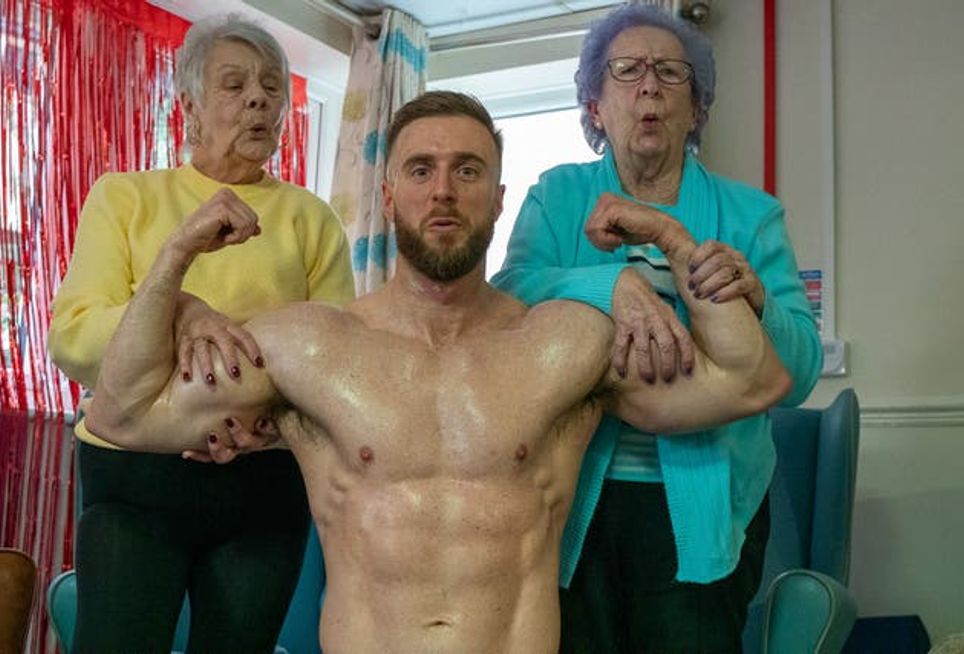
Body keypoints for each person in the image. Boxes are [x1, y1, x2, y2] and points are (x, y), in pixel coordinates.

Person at [80, 90, 791, 654]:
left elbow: (752, 382)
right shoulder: (309, 347)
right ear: (389, 197)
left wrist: (672, 240)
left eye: (468, 171)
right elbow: (122, 414)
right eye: (421, 170)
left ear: (499, 198)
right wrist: (174, 264)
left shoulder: (564, 343)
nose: (443, 190)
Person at [491, 4, 823, 652]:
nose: (649, 86)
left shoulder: (751, 216)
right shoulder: (557, 197)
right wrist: (609, 286)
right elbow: (508, 300)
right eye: (627, 70)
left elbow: (801, 372)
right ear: (594, 107)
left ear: (695, 110)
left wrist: (758, 302)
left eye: (671, 73)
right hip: (571, 493)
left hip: (708, 505)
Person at [48, 15, 354, 652]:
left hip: (262, 481)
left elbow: (336, 362)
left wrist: (276, 426)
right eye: (235, 85)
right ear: (188, 105)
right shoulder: (125, 198)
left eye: (272, 87)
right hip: (134, 479)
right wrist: (179, 307)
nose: (258, 100)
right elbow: (75, 341)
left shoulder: (311, 219)